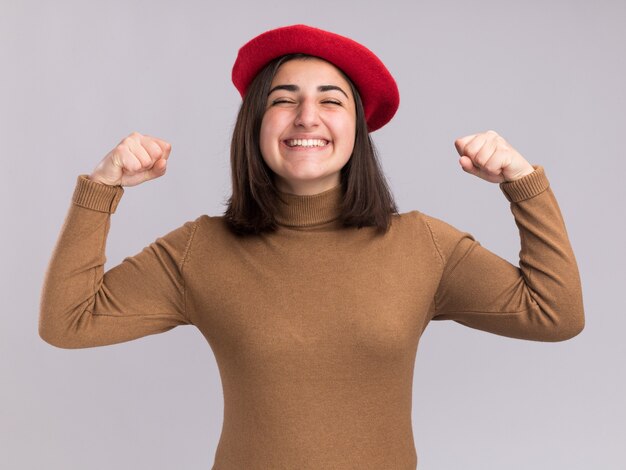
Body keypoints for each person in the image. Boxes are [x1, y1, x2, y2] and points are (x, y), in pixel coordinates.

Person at [39, 24, 585, 469]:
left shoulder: (422, 245)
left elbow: (555, 314)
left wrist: (523, 183)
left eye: (332, 101)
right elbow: (68, 322)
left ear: (357, 130)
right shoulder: (199, 249)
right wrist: (101, 190)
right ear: (255, 124)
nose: (307, 116)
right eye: (284, 100)